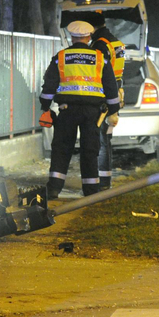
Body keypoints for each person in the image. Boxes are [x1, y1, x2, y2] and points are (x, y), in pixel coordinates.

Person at [39, 21, 120, 198]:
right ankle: (91, 191)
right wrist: (113, 109)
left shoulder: (60, 57)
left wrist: (45, 107)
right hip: (93, 113)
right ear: (89, 37)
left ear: (72, 37)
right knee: (90, 150)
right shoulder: (100, 58)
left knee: (61, 149)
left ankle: (54, 188)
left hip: (67, 111)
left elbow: (49, 86)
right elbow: (111, 87)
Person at [89, 13, 126, 189]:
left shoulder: (100, 44)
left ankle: (103, 182)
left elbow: (99, 72)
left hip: (102, 96)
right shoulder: (115, 42)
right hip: (115, 93)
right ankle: (105, 179)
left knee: (101, 140)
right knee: (106, 139)